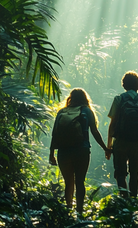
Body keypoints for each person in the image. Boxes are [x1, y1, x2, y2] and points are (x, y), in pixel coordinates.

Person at [49, 88, 110, 216]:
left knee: (68, 182)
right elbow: (94, 132)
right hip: (81, 150)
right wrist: (105, 148)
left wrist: (51, 154)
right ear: (85, 98)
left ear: (70, 98)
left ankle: (68, 209)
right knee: (80, 181)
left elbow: (55, 134)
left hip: (63, 152)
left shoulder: (62, 112)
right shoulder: (86, 111)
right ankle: (80, 212)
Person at [107, 71, 138, 197]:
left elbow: (112, 124)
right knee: (135, 172)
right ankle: (133, 200)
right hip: (137, 142)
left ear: (124, 84)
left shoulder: (119, 99)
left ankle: (124, 200)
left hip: (121, 141)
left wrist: (109, 144)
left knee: (120, 173)